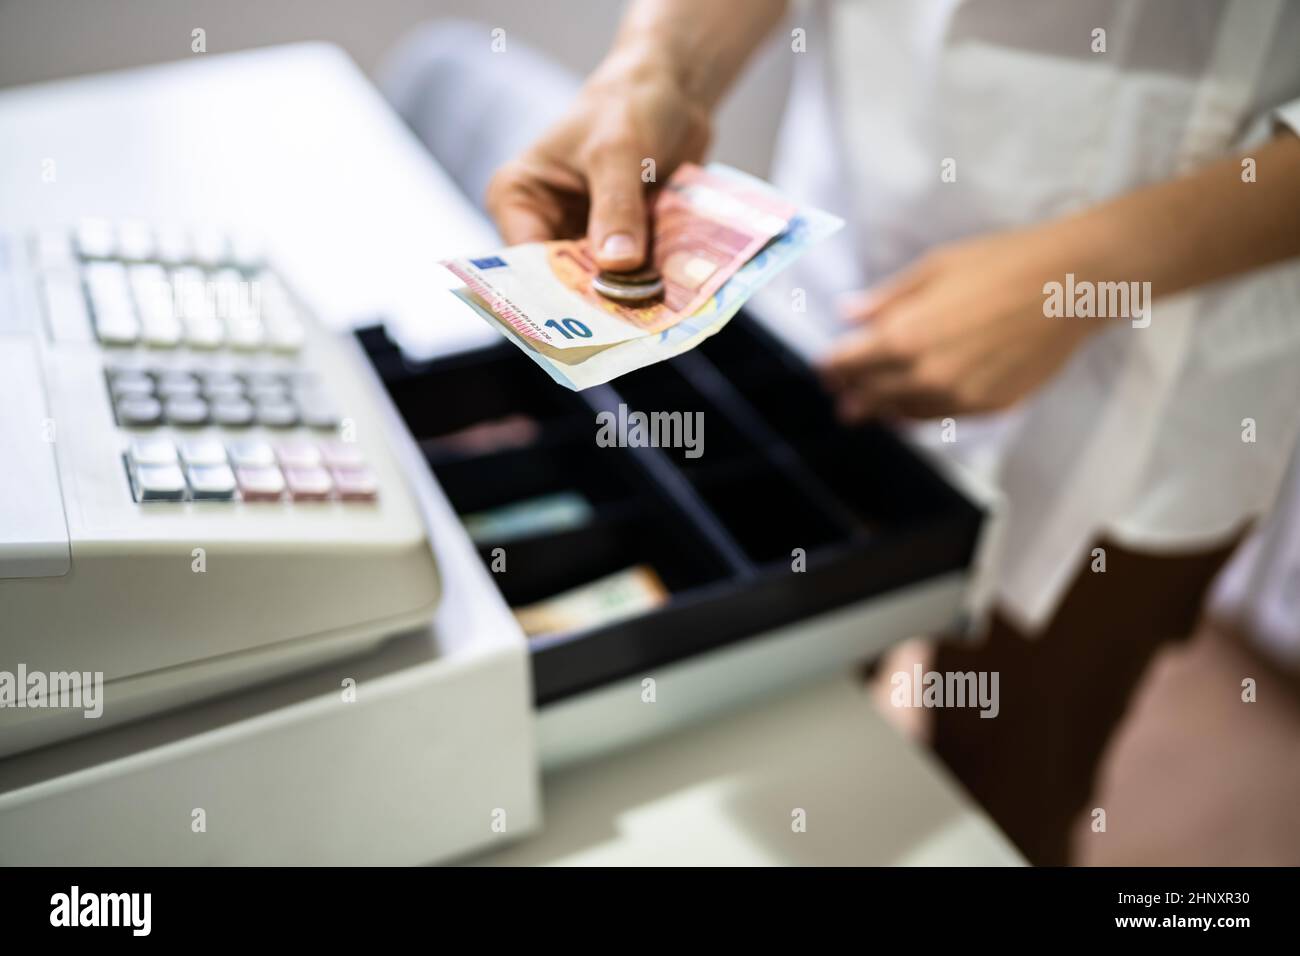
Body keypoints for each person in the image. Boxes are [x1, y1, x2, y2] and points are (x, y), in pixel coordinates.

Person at [388, 1, 1300, 863]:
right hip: (852, 270)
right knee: (794, 717)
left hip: (1172, 364)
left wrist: (1079, 276)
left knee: (1016, 775)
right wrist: (654, 64)